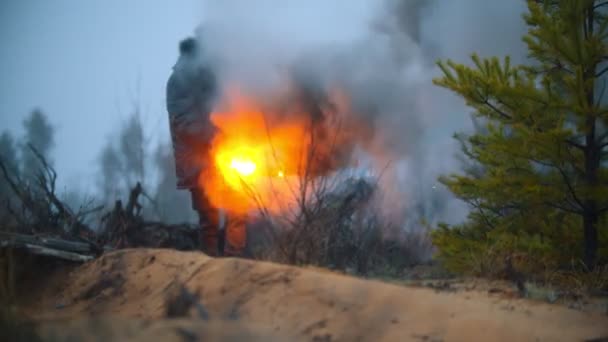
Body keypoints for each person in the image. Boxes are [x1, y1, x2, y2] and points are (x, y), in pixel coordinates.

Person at [166, 37, 242, 256]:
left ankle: (235, 267)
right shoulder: (178, 82)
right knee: (209, 218)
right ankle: (210, 271)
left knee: (238, 210)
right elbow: (185, 124)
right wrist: (218, 137)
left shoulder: (210, 76)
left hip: (223, 157)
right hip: (197, 164)